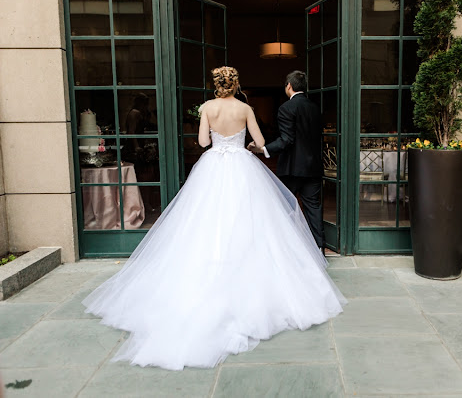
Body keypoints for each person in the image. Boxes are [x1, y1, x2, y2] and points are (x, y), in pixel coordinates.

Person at [82, 66, 346, 371]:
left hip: (213, 168)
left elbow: (204, 142)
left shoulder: (207, 107)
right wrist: (248, 145)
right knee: (252, 221)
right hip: (242, 167)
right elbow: (260, 142)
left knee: (205, 222)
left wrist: (218, 138)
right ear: (235, 84)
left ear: (216, 85)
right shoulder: (246, 108)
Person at [248, 71, 325, 252]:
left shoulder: (286, 108)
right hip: (313, 166)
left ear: (288, 86)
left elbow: (287, 140)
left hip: (292, 168)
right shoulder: (315, 107)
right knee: (313, 207)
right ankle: (319, 247)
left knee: (283, 206)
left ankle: (287, 248)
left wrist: (263, 149)